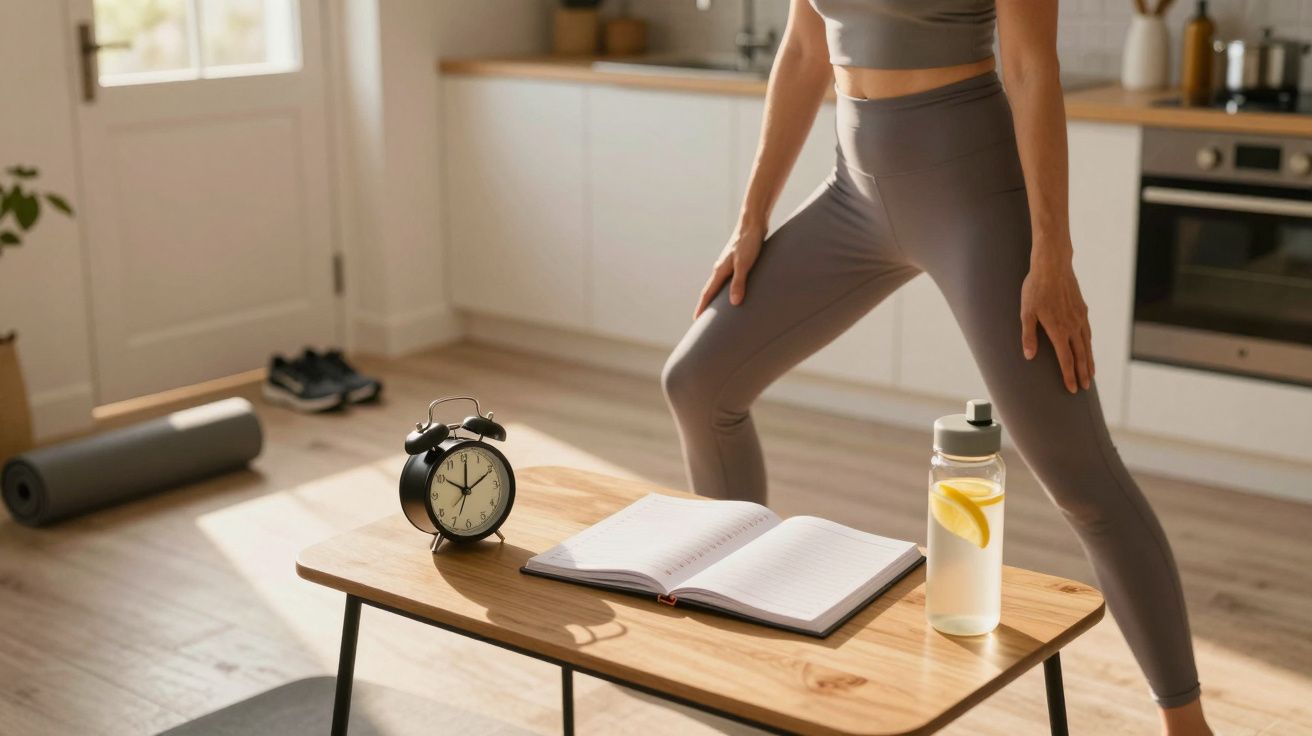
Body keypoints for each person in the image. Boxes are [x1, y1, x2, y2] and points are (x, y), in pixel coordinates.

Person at [660, 1, 1212, 733]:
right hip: (851, 193)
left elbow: (1029, 64)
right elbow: (802, 50)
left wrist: (1053, 252)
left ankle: (1186, 724)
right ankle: (747, 648)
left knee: (1081, 477)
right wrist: (752, 215)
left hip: (973, 193)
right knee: (698, 382)